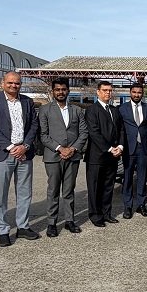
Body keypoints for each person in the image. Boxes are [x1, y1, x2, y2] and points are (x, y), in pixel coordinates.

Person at [0, 71, 41, 247]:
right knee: (1, 194)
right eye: (10, 83)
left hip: (24, 152)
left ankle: (22, 226)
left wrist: (25, 146)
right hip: (3, 154)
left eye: (17, 83)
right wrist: (10, 147)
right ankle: (3, 230)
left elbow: (33, 125)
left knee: (24, 193)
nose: (14, 86)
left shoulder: (27, 101)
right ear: (3, 83)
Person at [39, 78, 87, 237]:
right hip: (53, 156)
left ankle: (69, 220)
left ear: (68, 90)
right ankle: (51, 223)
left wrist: (72, 149)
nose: (61, 92)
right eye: (57, 89)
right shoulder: (45, 110)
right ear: (53, 91)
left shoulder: (77, 110)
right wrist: (60, 148)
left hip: (73, 156)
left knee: (69, 190)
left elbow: (83, 133)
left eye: (64, 89)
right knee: (53, 190)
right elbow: (43, 135)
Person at [84, 80, 125, 227]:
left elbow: (121, 130)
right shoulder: (92, 110)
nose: (108, 93)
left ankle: (107, 213)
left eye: (110, 90)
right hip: (97, 156)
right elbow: (94, 133)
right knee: (95, 187)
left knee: (109, 186)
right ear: (98, 92)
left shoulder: (115, 110)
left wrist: (120, 146)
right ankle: (96, 216)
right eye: (105, 90)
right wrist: (109, 148)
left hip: (112, 157)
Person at [119, 82, 147, 218]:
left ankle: (141, 205)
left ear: (142, 94)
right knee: (127, 178)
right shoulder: (122, 109)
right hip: (128, 148)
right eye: (134, 92)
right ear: (130, 93)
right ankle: (128, 206)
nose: (137, 95)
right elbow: (119, 129)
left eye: (139, 92)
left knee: (142, 178)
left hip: (143, 148)